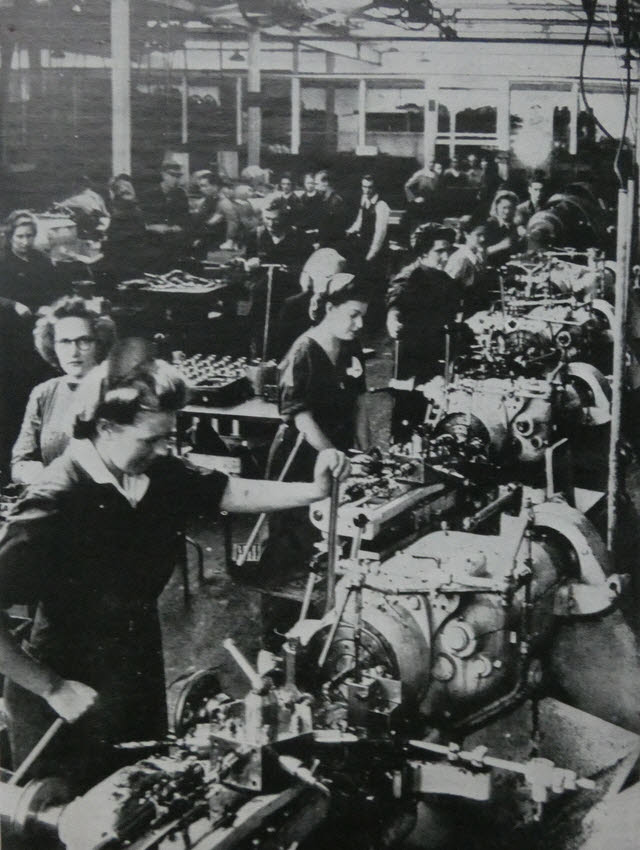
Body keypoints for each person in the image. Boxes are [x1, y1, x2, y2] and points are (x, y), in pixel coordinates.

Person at [0, 339, 349, 788]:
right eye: (152, 438)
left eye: (169, 435)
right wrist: (51, 687)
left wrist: (313, 491)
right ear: (105, 428)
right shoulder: (55, 501)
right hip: (65, 679)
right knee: (66, 814)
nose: (165, 449)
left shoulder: (154, 472)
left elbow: (227, 492)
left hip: (135, 659)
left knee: (142, 795)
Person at [11, 296, 116, 485]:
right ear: (53, 345)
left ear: (99, 343)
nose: (74, 352)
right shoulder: (44, 393)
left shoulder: (117, 390)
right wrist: (29, 472)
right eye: (64, 342)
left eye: (84, 341)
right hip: (56, 499)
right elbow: (20, 462)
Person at [386, 226, 462, 441]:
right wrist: (393, 318)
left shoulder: (445, 279)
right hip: (413, 361)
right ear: (423, 253)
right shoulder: (409, 277)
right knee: (410, 416)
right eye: (439, 251)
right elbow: (395, 301)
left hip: (439, 355)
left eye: (448, 250)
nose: (445, 256)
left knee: (437, 415)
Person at [273, 247, 347, 361]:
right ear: (314, 275)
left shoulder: (343, 304)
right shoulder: (293, 305)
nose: (332, 282)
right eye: (327, 277)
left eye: (336, 277)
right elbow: (282, 345)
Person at [0, 210, 65, 313]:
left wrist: (58, 303)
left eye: (29, 236)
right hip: (9, 318)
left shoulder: (42, 258)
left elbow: (55, 288)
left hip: (42, 315)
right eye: (20, 236)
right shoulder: (3, 260)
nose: (25, 242)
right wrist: (13, 304)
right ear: (10, 237)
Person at [345, 174, 390, 266]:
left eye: (370, 187)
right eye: (364, 187)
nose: (367, 190)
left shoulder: (381, 205)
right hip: (364, 245)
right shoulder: (364, 199)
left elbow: (380, 233)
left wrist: (371, 253)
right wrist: (349, 231)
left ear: (375, 187)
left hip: (377, 250)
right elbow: (360, 221)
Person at [445, 222, 488, 315]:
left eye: (484, 235)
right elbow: (448, 288)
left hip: (476, 307)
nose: (483, 239)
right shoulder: (460, 258)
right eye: (478, 235)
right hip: (462, 310)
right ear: (466, 235)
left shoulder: (479, 254)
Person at [484, 189, 521, 268]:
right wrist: (501, 246)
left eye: (511, 208)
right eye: (504, 208)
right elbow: (481, 252)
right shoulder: (489, 225)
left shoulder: (514, 226)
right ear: (496, 207)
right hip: (491, 268)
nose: (507, 211)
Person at [315, 170, 347, 249]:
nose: (315, 187)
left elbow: (334, 230)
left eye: (316, 184)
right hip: (325, 244)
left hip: (333, 246)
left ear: (325, 183)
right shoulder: (325, 200)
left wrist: (321, 243)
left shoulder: (336, 201)